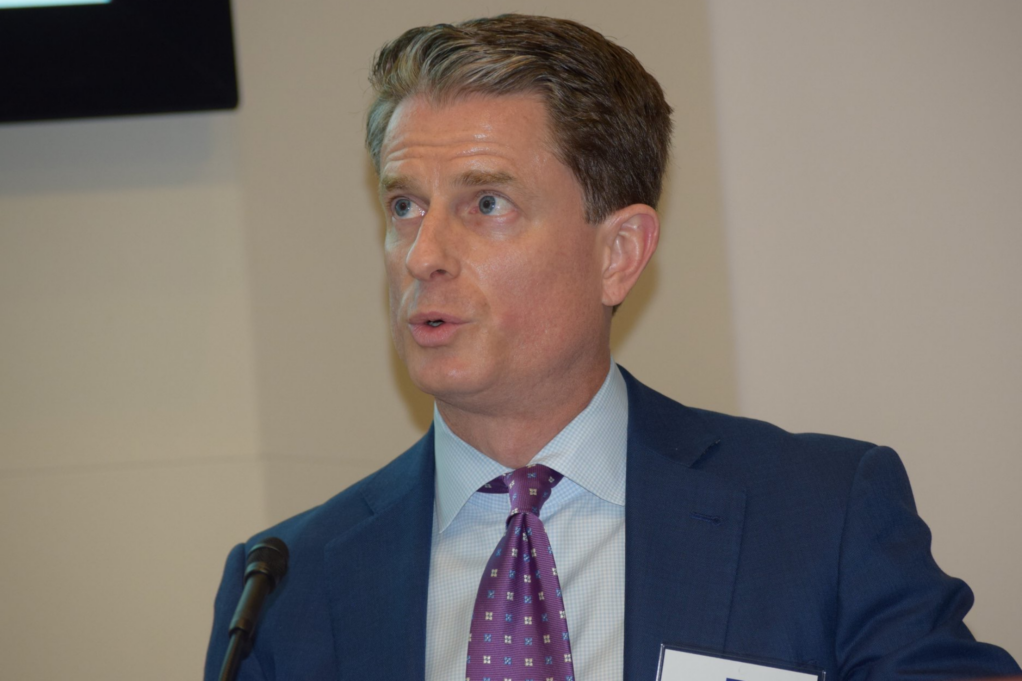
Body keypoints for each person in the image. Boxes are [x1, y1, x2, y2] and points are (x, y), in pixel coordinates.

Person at [204, 14, 1020, 681]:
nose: (423, 255)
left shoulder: (822, 519)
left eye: (485, 202)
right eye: (405, 205)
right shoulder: (284, 584)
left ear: (619, 252)